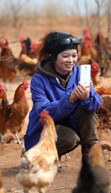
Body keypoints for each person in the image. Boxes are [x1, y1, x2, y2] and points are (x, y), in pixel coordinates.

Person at [24, 31, 102, 160]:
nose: (71, 60)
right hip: (45, 129)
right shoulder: (39, 79)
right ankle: (44, 155)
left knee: (88, 108)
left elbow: (97, 104)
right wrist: (69, 100)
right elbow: (43, 111)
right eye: (65, 56)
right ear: (54, 57)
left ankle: (89, 151)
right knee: (69, 138)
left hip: (70, 124)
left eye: (74, 55)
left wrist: (88, 97)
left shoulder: (81, 73)